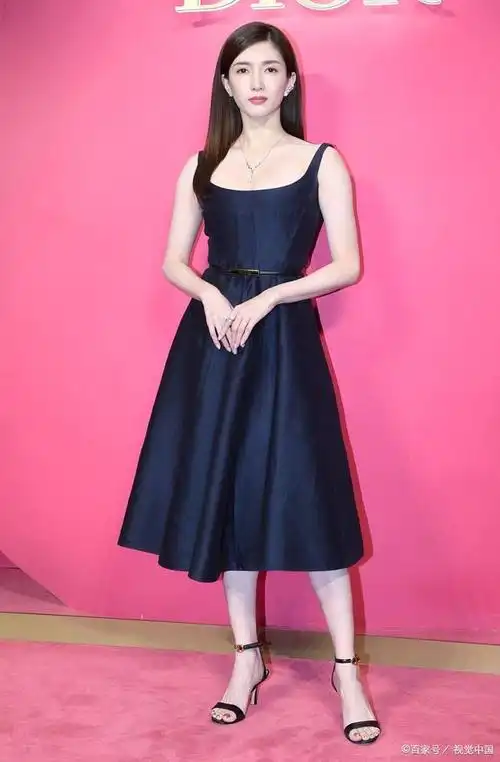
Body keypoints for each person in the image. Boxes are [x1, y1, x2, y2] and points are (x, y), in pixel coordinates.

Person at [118, 20, 381, 744]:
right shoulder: (200, 165)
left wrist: (270, 298)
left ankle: (348, 671)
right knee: (227, 498)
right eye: (243, 70)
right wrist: (209, 294)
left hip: (283, 340)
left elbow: (347, 264)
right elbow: (174, 260)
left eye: (269, 69)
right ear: (226, 84)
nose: (257, 82)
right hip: (216, 344)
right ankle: (246, 660)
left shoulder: (322, 161)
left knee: (311, 494)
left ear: (290, 82)